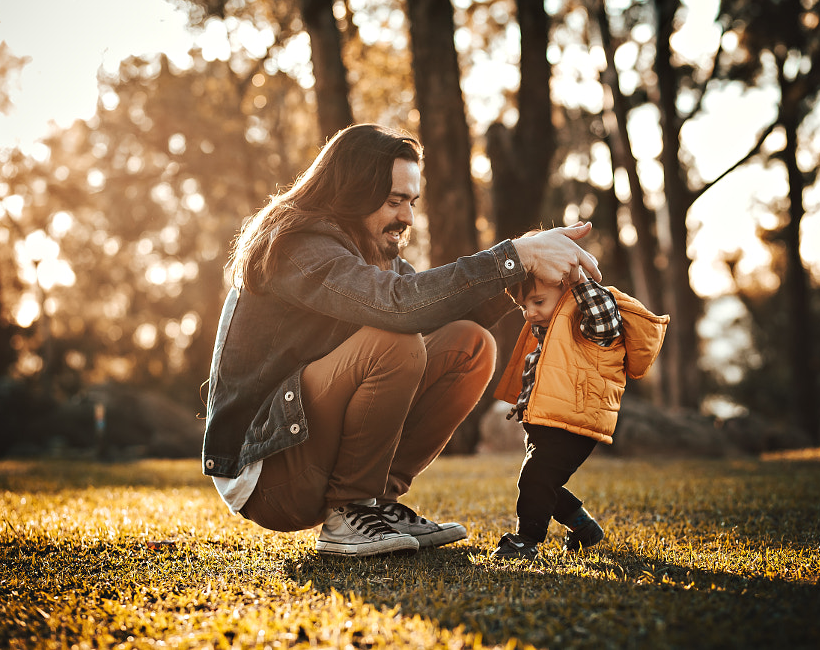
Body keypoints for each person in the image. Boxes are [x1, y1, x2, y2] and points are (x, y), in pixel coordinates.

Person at [203, 123, 602, 558]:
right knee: (397, 342)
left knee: (471, 344)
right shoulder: (299, 244)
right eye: (395, 201)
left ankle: (377, 505)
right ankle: (351, 510)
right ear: (351, 190)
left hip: (305, 448)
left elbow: (446, 312)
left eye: (411, 202)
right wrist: (511, 255)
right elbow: (400, 307)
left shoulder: (369, 254)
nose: (407, 218)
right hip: (267, 471)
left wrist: (522, 273)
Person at [491, 265, 669, 559]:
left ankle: (527, 539)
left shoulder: (584, 318)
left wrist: (579, 280)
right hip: (546, 424)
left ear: (566, 289)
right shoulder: (549, 326)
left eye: (537, 302)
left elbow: (604, 321)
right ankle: (584, 528)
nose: (529, 312)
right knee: (543, 482)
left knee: (536, 478)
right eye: (524, 306)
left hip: (572, 423)